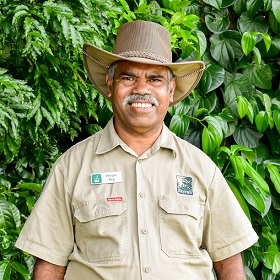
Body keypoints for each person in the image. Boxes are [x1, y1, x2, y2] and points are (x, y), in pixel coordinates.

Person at [16, 20, 258, 279]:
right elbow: (50, 265)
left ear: (170, 89)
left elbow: (228, 261)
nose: (141, 89)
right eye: (128, 77)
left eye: (155, 79)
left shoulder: (201, 168)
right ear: (110, 86)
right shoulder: (71, 167)